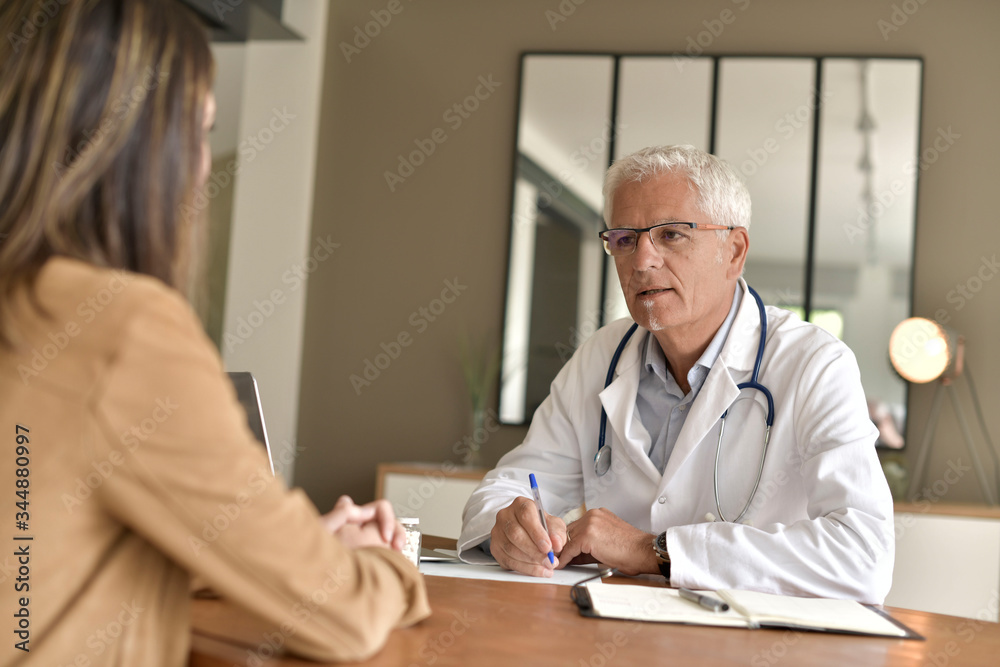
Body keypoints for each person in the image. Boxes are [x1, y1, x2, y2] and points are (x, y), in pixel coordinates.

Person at [0, 1, 427, 665]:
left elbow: (42, 544)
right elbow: (346, 619)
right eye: (200, 132)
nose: (203, 166)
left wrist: (272, 546)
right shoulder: (123, 326)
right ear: (145, 146)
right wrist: (385, 565)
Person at [459, 145, 895, 604]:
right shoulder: (600, 358)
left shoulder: (814, 363)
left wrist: (655, 552)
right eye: (625, 239)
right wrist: (508, 526)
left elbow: (864, 555)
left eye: (671, 234)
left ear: (734, 251)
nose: (642, 261)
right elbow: (511, 486)